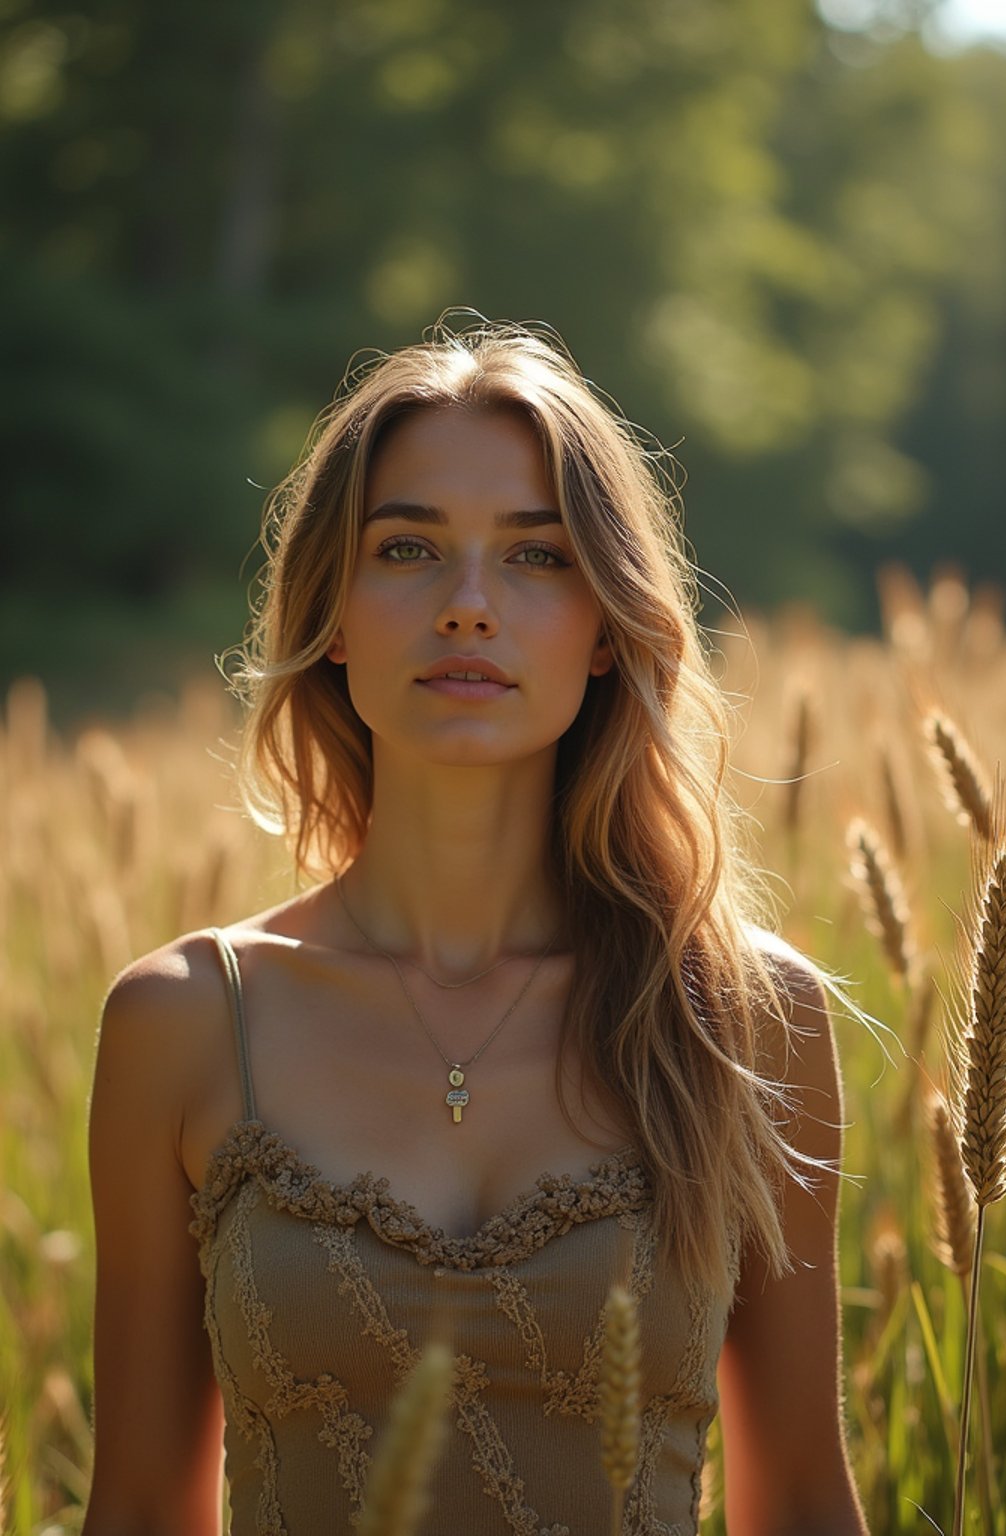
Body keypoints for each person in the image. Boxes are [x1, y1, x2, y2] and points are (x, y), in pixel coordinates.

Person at [83, 319, 869, 1536]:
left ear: (608, 627)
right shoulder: (186, 1021)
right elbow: (137, 1509)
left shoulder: (745, 1023)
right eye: (407, 549)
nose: (466, 607)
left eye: (536, 559)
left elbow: (806, 1504)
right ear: (332, 614)